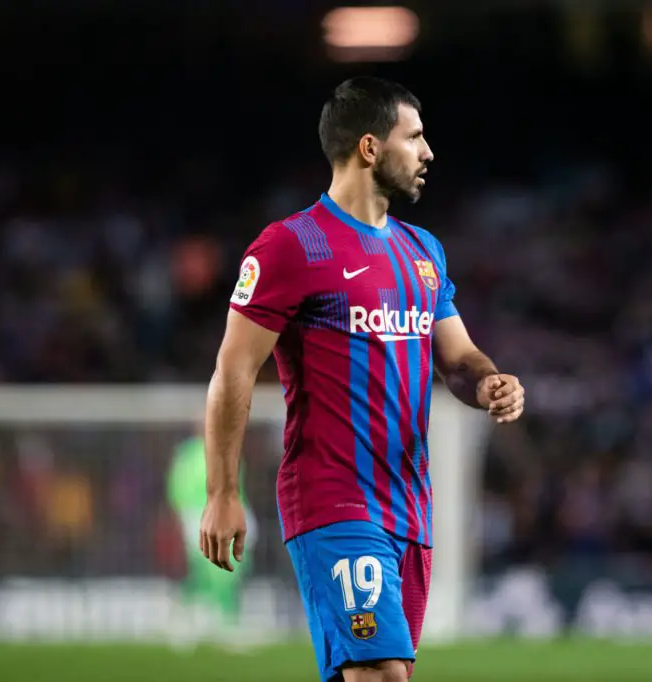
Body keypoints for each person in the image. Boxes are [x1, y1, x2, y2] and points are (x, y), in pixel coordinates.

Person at [199, 76, 525, 682]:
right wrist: (221, 492)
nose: (428, 152)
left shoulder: (422, 251)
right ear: (370, 147)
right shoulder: (290, 246)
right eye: (415, 137)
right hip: (334, 498)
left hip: (410, 506)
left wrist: (488, 383)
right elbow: (233, 369)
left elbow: (458, 358)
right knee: (380, 672)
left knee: (374, 672)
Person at [166, 424, 258, 646]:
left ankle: (227, 621)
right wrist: (185, 516)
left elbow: (237, 489)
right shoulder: (188, 455)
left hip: (227, 518)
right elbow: (177, 488)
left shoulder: (230, 452)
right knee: (204, 571)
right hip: (199, 517)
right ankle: (187, 616)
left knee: (230, 570)